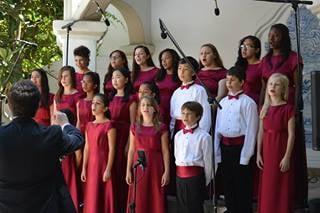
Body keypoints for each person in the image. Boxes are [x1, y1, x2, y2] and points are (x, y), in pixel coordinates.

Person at [0, 80, 83, 213]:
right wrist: (65, 124)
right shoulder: (51, 135)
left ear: (10, 105)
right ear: (38, 105)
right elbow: (77, 140)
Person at [260, 23, 307, 207]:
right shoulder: (265, 60)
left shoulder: (294, 58)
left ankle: (293, 199)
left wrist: (294, 112)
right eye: (270, 35)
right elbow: (264, 87)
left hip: (287, 110)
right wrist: (261, 109)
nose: (272, 39)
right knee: (269, 154)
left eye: (276, 35)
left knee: (290, 153)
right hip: (269, 110)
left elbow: (298, 86)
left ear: (284, 37)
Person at [214, 66, 259, 213]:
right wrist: (216, 150)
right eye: (227, 80)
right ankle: (231, 209)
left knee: (242, 184)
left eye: (232, 80)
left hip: (240, 149)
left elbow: (251, 130)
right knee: (228, 183)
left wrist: (245, 156)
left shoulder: (248, 103)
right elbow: (218, 128)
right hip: (225, 147)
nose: (229, 83)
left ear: (242, 82)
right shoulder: (223, 102)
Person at [257, 73, 295, 213]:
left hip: (280, 149)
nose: (272, 86)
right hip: (267, 151)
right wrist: (258, 154)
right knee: (268, 185)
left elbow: (292, 134)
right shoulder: (264, 109)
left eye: (277, 84)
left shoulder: (288, 108)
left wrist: (287, 157)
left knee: (280, 185)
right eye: (270, 84)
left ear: (283, 89)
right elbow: (260, 132)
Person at [126, 96, 170, 213]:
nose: (145, 107)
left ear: (154, 109)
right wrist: (128, 170)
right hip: (138, 164)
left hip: (155, 165)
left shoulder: (161, 127)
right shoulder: (134, 127)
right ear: (139, 109)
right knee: (139, 195)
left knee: (155, 195)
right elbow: (131, 149)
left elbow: (165, 151)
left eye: (149, 105)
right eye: (143, 105)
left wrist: (167, 171)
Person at [174, 101, 212, 213]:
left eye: (189, 114)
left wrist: (205, 180)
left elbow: (208, 162)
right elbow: (177, 156)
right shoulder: (178, 135)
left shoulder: (204, 137)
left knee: (195, 207)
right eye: (183, 113)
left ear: (198, 117)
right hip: (179, 177)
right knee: (182, 207)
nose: (185, 116)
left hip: (195, 178)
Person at [81, 93, 116, 213]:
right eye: (92, 103)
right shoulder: (89, 125)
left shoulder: (109, 125)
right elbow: (86, 147)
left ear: (105, 108)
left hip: (103, 164)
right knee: (91, 194)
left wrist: (108, 169)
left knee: (102, 194)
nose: (93, 105)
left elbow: (112, 149)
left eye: (98, 103)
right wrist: (84, 168)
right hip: (91, 165)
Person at [54, 65, 82, 211]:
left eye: (66, 76)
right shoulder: (57, 96)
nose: (63, 79)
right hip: (58, 133)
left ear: (72, 77)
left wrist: (73, 133)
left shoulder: (78, 95)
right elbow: (54, 118)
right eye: (61, 76)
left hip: (71, 133)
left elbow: (79, 119)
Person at [109, 67, 137, 213]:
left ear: (126, 80)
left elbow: (133, 123)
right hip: (111, 136)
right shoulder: (110, 97)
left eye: (118, 77)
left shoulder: (132, 99)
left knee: (121, 170)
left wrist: (128, 143)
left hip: (124, 136)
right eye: (113, 77)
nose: (115, 80)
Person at [170, 56, 211, 134]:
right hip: (178, 130)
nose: (181, 72)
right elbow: (173, 116)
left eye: (185, 69)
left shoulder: (199, 90)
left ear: (193, 72)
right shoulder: (176, 92)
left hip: (194, 130)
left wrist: (202, 133)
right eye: (179, 68)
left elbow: (205, 114)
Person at [156, 48, 181, 128]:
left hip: (174, 107)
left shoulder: (180, 75)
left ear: (174, 58)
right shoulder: (159, 75)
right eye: (162, 59)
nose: (164, 61)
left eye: (167, 58)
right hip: (161, 108)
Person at [235, 36, 262, 105]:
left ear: (257, 50)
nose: (244, 49)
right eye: (242, 46)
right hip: (238, 102)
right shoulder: (239, 66)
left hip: (255, 102)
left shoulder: (262, 65)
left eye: (248, 46)